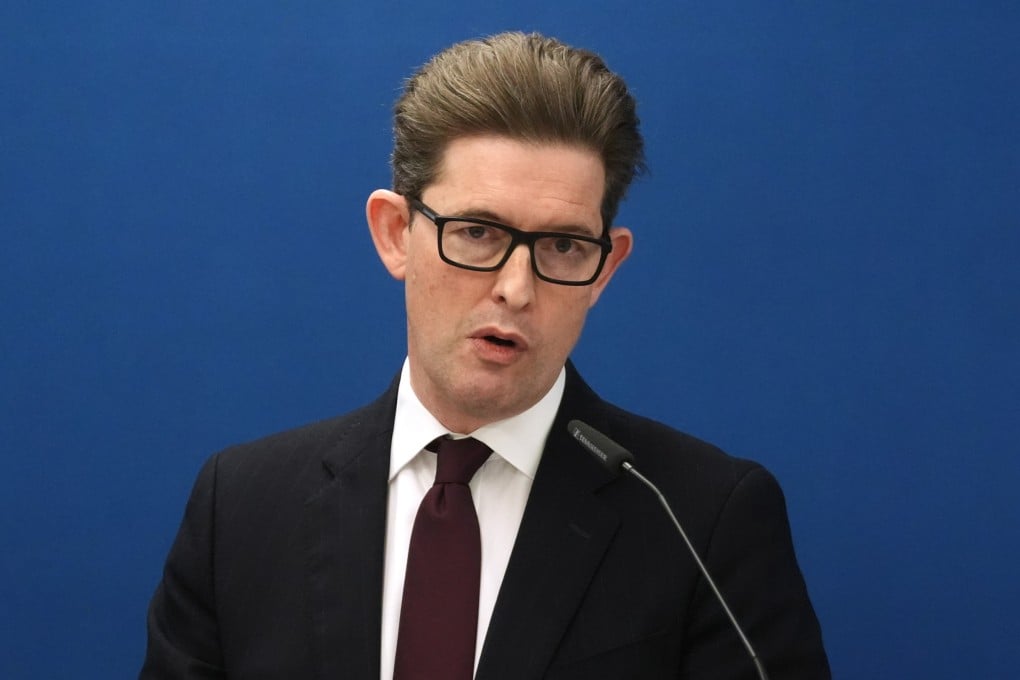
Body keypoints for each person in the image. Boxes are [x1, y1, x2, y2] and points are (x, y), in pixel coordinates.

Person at [141, 31, 830, 679]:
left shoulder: (702, 518)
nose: (516, 288)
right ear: (395, 233)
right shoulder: (242, 507)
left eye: (563, 246)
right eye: (477, 232)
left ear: (606, 268)